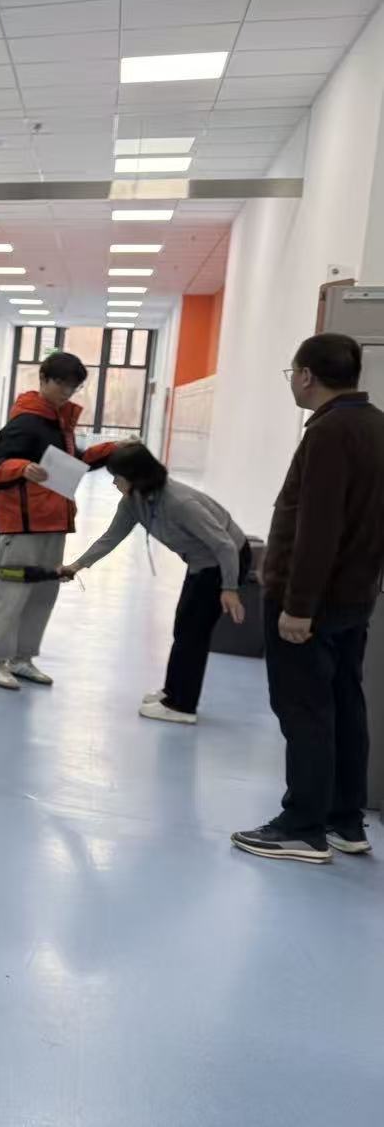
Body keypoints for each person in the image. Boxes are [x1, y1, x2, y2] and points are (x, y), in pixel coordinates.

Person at [232, 333, 384, 864]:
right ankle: (345, 820)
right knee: (344, 704)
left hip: (312, 604)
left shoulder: (328, 432)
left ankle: (303, 826)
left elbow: (318, 527)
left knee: (305, 710)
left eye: (292, 374)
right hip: (354, 597)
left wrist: (298, 606)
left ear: (306, 375)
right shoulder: (375, 425)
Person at [59, 443, 250, 725]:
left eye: (117, 477)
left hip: (224, 561)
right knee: (183, 627)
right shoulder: (133, 502)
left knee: (192, 634)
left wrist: (229, 588)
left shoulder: (179, 503)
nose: (114, 483)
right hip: (201, 562)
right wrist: (75, 566)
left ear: (136, 477)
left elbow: (224, 545)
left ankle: (182, 706)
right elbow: (110, 539)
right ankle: (173, 692)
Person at [0, 350, 116, 691]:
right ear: (43, 379)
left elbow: (72, 463)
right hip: (24, 524)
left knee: (42, 594)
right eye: (61, 384)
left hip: (54, 521)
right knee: (10, 593)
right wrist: (22, 468)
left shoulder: (61, 423)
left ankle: (23, 658)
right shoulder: (25, 421)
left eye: (73, 387)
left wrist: (112, 449)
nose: (67, 392)